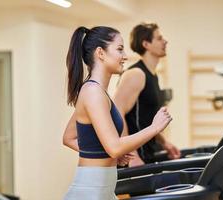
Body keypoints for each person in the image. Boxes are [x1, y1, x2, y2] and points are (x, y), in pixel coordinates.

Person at [62, 26, 172, 200]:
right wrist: (154, 128)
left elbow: (68, 137)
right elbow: (114, 147)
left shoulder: (97, 92)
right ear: (101, 53)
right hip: (91, 190)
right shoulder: (92, 92)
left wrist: (109, 153)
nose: (125, 57)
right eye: (119, 49)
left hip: (103, 187)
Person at [113, 23, 181, 167]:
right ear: (146, 44)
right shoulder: (136, 74)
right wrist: (132, 156)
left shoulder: (152, 75)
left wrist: (164, 143)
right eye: (159, 38)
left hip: (149, 153)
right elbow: (117, 113)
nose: (165, 41)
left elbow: (147, 120)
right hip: (136, 158)